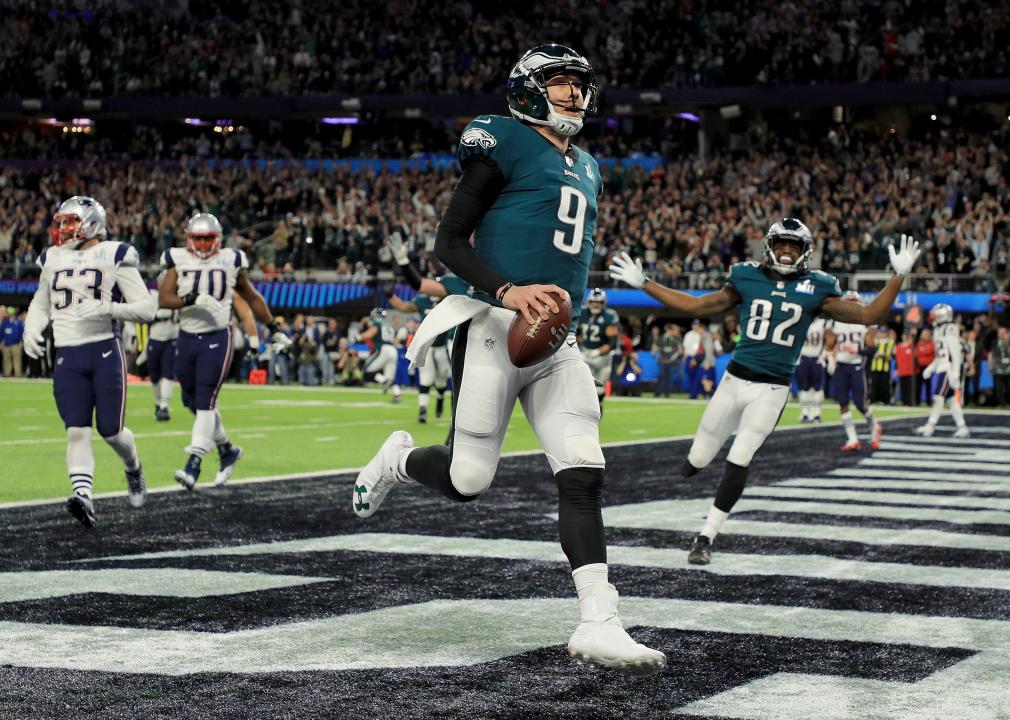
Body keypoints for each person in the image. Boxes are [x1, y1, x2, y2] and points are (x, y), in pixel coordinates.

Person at [351, 44, 666, 675]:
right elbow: (447, 241)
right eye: (559, 83)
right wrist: (509, 290)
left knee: (582, 471)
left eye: (579, 84)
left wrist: (561, 304)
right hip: (496, 324)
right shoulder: (503, 140)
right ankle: (397, 458)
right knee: (469, 480)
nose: (573, 94)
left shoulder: (590, 166)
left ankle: (598, 621)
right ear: (528, 89)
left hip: (556, 339)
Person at [609, 221, 920, 565]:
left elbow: (868, 315)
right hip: (733, 382)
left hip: (771, 389)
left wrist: (898, 276)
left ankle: (705, 537)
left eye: (795, 246)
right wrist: (645, 284)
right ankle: (685, 473)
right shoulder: (745, 276)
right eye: (783, 244)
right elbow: (698, 307)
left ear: (806, 252)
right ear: (770, 245)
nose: (787, 251)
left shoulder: (818, 287)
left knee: (740, 456)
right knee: (697, 459)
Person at [23, 196, 156, 527]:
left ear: (91, 222)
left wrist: (109, 308)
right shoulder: (52, 257)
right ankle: (83, 495)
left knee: (111, 431)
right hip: (68, 353)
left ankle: (133, 467)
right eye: (62, 222)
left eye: (70, 222)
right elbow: (41, 303)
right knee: (76, 431)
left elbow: (147, 308)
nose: (63, 229)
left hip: (104, 351)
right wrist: (31, 329)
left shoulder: (114, 253)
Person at [159, 213, 291, 489]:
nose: (204, 245)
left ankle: (193, 464)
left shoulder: (231, 259)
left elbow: (252, 296)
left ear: (217, 239)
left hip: (218, 337)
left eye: (209, 238)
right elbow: (164, 298)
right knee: (190, 401)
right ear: (189, 239)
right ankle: (227, 450)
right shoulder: (177, 258)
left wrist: (273, 326)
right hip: (186, 337)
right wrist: (190, 299)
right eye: (199, 239)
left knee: (205, 401)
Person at [824, 293, 883, 451]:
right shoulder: (835, 323)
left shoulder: (866, 322)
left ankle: (874, 428)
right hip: (841, 366)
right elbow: (829, 344)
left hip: (857, 365)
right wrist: (829, 357)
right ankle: (852, 439)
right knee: (842, 402)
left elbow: (872, 347)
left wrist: (860, 350)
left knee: (860, 403)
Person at [914, 304, 971, 437]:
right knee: (951, 400)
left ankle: (930, 426)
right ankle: (962, 427)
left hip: (948, 368)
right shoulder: (938, 329)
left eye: (935, 314)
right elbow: (941, 355)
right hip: (943, 367)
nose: (933, 316)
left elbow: (955, 352)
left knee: (938, 397)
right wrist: (931, 368)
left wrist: (956, 372)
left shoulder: (949, 328)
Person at [577, 288, 619, 413]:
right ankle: (581, 407)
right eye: (594, 301)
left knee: (600, 387)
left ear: (603, 303)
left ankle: (598, 405)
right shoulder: (581, 313)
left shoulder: (609, 316)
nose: (596, 304)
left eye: (599, 302)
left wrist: (596, 352)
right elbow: (575, 333)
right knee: (582, 383)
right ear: (588, 301)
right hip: (584, 353)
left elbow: (612, 342)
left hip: (602, 356)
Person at [146, 272, 180, 421]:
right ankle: (158, 403)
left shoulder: (179, 296)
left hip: (172, 338)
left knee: (168, 372)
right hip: (155, 337)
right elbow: (146, 314)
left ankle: (164, 406)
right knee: (153, 375)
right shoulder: (152, 295)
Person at [358, 308, 403, 402]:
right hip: (393, 349)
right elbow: (394, 340)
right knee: (390, 377)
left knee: (367, 371)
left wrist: (358, 337)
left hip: (383, 349)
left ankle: (386, 382)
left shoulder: (377, 324)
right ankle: (397, 393)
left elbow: (370, 334)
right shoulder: (389, 325)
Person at [796, 316, 831, 422]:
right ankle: (806, 413)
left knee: (817, 388)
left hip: (816, 357)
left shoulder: (824, 323)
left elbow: (829, 341)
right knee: (804, 388)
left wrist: (824, 354)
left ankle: (816, 413)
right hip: (805, 357)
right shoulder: (801, 320)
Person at [655, 323, 683, 397]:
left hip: (671, 361)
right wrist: (661, 358)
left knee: (669, 377)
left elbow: (679, 351)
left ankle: (667, 393)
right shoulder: (661, 338)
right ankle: (658, 392)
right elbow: (656, 349)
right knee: (661, 376)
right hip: (662, 361)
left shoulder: (676, 339)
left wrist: (671, 359)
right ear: (668, 330)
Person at [894, 330, 917, 406]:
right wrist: (896, 369)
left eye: (907, 335)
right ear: (902, 336)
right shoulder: (898, 347)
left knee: (910, 388)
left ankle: (910, 402)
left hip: (910, 372)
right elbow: (897, 360)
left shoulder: (911, 346)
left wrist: (913, 336)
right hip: (901, 371)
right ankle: (904, 402)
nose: (906, 337)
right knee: (903, 388)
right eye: (904, 335)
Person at [1, 305, 24, 377]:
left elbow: (22, 332)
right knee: (6, 360)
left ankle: (18, 374)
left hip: (16, 344)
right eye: (8, 312)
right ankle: (6, 374)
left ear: (14, 313)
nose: (9, 314)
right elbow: (1, 333)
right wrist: (1, 343)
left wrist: (21, 342)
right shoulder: (5, 322)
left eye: (11, 312)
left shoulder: (18, 322)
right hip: (6, 345)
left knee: (17, 360)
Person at [992, 326, 1010, 406]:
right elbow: (994, 356)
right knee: (999, 388)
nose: (1002, 335)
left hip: (1009, 369)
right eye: (1000, 333)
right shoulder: (996, 343)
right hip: (999, 369)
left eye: (1003, 333)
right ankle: (1001, 403)